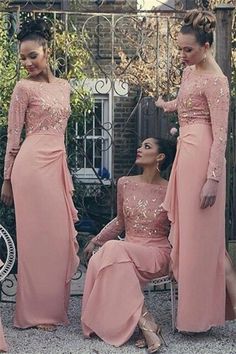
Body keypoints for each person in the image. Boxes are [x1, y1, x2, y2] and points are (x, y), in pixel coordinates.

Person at [155, 9, 236, 333]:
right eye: (180, 49)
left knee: (205, 244)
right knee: (189, 240)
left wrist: (213, 179)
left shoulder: (217, 81)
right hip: (186, 158)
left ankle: (199, 318)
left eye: (188, 49)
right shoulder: (190, 73)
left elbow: (221, 135)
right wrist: (167, 106)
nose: (182, 55)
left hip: (204, 159)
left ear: (205, 46)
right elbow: (186, 101)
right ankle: (193, 314)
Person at [0, 18, 79, 330]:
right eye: (23, 57)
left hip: (55, 164)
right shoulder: (23, 88)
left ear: (47, 51)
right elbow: (14, 137)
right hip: (30, 168)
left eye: (33, 55)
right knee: (35, 240)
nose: (28, 62)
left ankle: (53, 309)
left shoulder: (65, 87)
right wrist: (6, 178)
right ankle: (33, 314)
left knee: (58, 238)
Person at [81, 137, 175, 353]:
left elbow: (178, 229)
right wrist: (97, 240)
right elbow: (120, 222)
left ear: (160, 157)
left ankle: (145, 325)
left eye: (146, 146)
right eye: (140, 145)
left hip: (155, 252)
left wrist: (178, 259)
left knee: (112, 250)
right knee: (109, 253)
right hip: (125, 252)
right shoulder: (125, 182)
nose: (139, 148)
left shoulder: (171, 190)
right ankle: (147, 324)